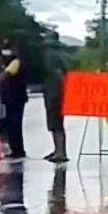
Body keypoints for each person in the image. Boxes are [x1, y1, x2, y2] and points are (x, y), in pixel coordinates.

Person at [0, 41, 28, 158]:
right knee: (11, 125)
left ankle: (18, 151)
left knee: (14, 125)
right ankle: (16, 149)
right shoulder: (11, 62)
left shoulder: (15, 62)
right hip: (11, 97)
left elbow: (5, 75)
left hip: (16, 98)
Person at [42, 32, 68, 162]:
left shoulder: (50, 55)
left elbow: (57, 73)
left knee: (55, 123)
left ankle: (60, 152)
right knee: (58, 123)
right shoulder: (63, 54)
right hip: (60, 91)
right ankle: (58, 150)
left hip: (54, 91)